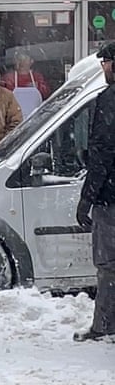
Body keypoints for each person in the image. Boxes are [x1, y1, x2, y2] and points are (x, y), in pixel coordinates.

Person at [74, 42, 115, 342]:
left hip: (111, 198)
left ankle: (105, 325)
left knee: (109, 266)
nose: (103, 68)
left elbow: (101, 154)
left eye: (105, 63)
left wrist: (86, 198)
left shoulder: (109, 100)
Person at [1, 51, 50, 115]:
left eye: (25, 59)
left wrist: (39, 87)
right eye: (19, 59)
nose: (22, 62)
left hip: (34, 116)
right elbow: (1, 96)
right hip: (14, 117)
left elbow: (46, 93)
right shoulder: (9, 78)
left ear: (31, 61)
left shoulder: (37, 77)